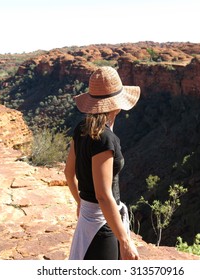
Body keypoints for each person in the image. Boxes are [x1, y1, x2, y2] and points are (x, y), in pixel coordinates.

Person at [64, 66, 140, 260]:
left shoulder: (81, 128)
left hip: (88, 220)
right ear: (116, 104)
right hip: (102, 224)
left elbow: (68, 173)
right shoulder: (105, 138)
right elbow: (103, 195)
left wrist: (80, 203)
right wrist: (125, 241)